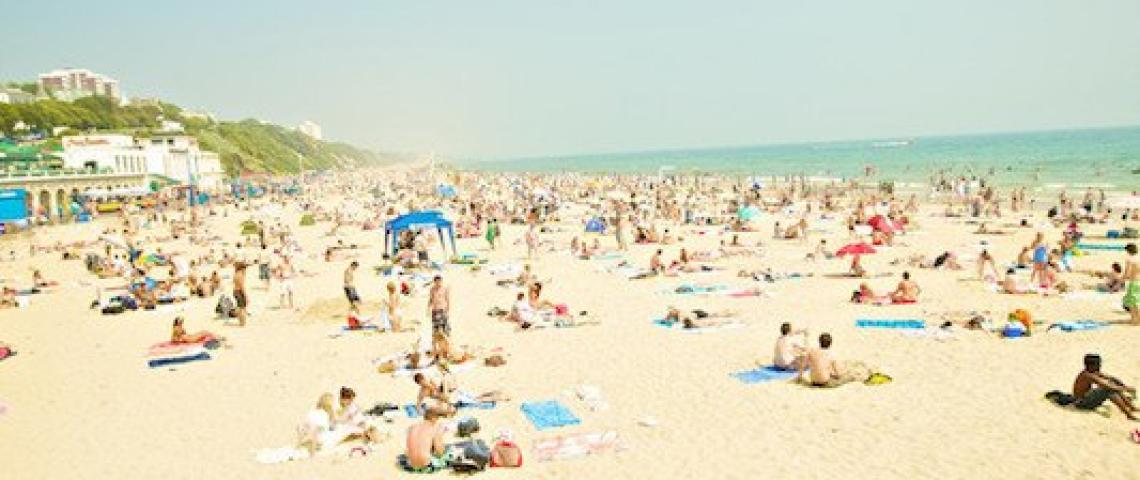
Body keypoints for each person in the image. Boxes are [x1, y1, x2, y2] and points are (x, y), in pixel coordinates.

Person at [1071, 354, 1137, 420]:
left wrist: (1124, 386)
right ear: (1091, 366)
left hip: (1086, 396)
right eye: (1098, 364)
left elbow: (1111, 378)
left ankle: (1131, 407)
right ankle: (1128, 414)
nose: (1100, 366)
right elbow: (1108, 387)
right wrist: (1127, 389)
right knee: (1108, 391)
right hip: (1081, 403)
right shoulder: (1088, 375)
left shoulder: (1093, 371)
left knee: (1112, 384)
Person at [799, 333, 869, 388]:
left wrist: (800, 377)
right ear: (830, 343)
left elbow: (803, 365)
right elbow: (838, 374)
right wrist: (838, 374)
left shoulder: (811, 351)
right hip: (825, 383)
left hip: (813, 382)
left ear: (819, 341)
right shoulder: (831, 355)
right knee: (850, 376)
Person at [1124, 243, 1140, 325]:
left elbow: (1127, 274)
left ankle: (1135, 320)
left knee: (1133, 302)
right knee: (1137, 301)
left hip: (1134, 282)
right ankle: (1136, 320)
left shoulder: (1130, 260)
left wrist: (1122, 279)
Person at [233, 262, 248, 326]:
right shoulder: (240, 275)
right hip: (239, 291)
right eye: (245, 268)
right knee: (242, 308)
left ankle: (241, 321)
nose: (245, 270)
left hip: (235, 291)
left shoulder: (236, 274)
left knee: (240, 307)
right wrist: (246, 296)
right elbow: (242, 286)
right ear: (242, 268)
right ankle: (242, 322)